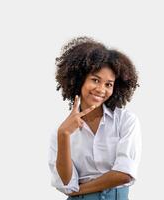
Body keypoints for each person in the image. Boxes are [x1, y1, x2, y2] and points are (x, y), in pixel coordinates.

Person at [48, 36, 142, 200]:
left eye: (108, 84)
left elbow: (124, 174)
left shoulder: (126, 121)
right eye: (95, 80)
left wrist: (78, 191)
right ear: (80, 80)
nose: (101, 89)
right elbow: (66, 183)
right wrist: (64, 135)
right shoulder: (61, 132)